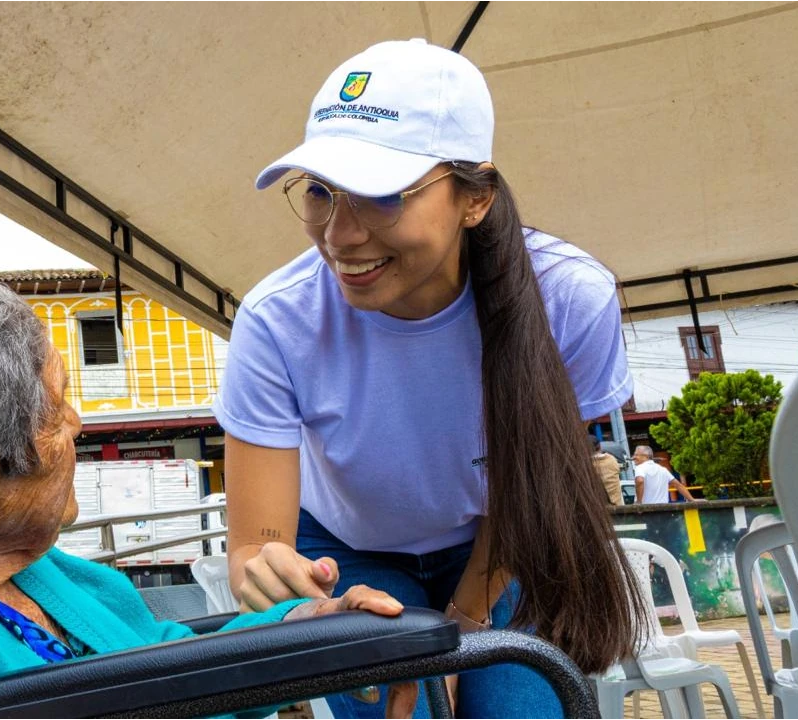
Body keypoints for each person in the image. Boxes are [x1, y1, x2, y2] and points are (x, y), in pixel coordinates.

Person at [0, 241, 409, 720]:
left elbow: (165, 662)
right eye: (57, 408)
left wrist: (313, 623)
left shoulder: (47, 575)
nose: (77, 423)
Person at [214, 39, 645, 719]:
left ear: (475, 197)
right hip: (345, 545)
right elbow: (255, 549)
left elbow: (535, 483)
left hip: (498, 534)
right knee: (395, 708)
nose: (340, 233)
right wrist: (279, 582)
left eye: (381, 194)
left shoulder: (569, 299)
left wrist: (463, 620)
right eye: (321, 191)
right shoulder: (276, 322)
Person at [592, 436, 625, 506]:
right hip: (617, 506)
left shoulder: (586, 465)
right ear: (600, 447)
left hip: (597, 507)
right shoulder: (611, 459)